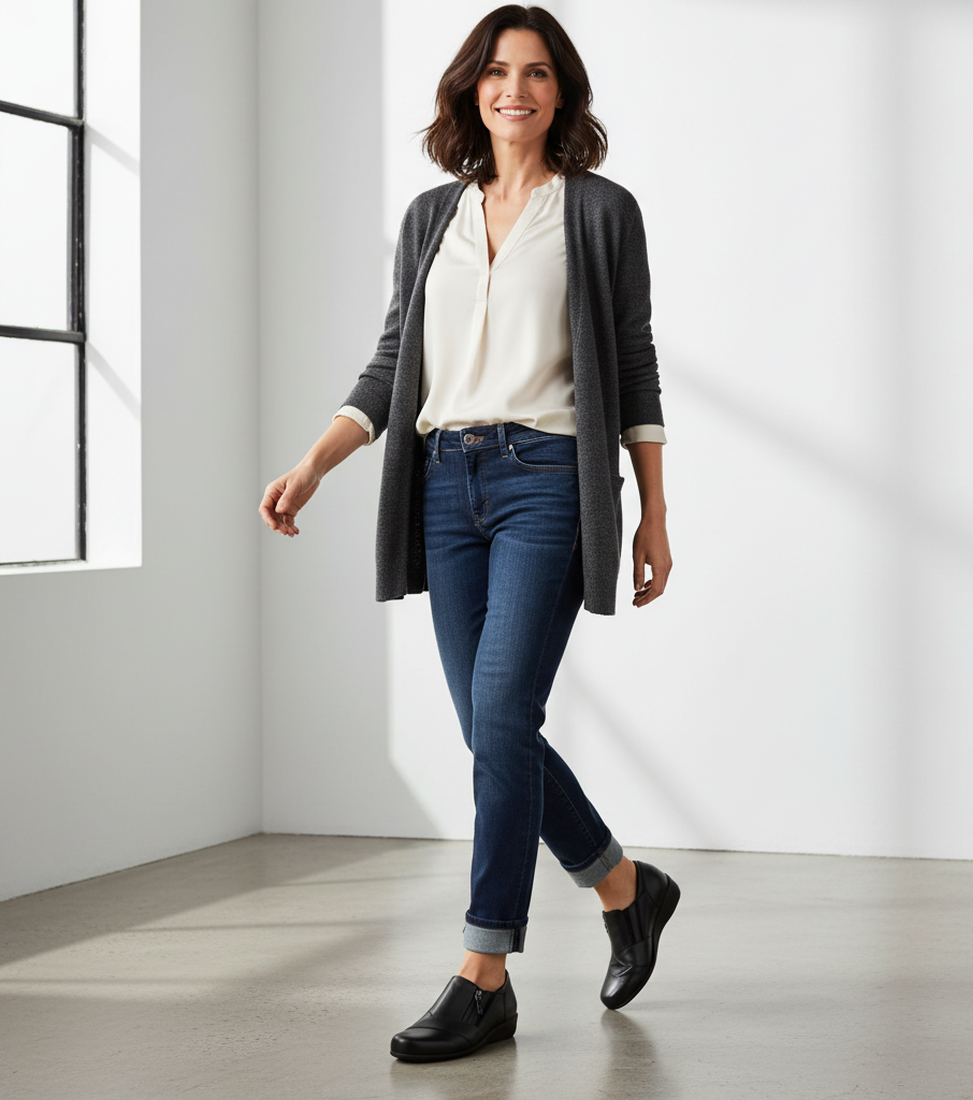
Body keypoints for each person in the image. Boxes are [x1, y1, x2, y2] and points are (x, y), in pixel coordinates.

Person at [259, 4, 677, 1063]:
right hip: (446, 487)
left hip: (548, 480)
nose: (514, 90)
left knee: (499, 714)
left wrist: (654, 511)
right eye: (496, 72)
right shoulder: (428, 218)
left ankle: (483, 972)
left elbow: (631, 361)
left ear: (560, 91)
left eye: (535, 73)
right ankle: (625, 887)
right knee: (493, 729)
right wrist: (314, 463)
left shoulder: (600, 211)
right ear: (469, 89)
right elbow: (393, 361)